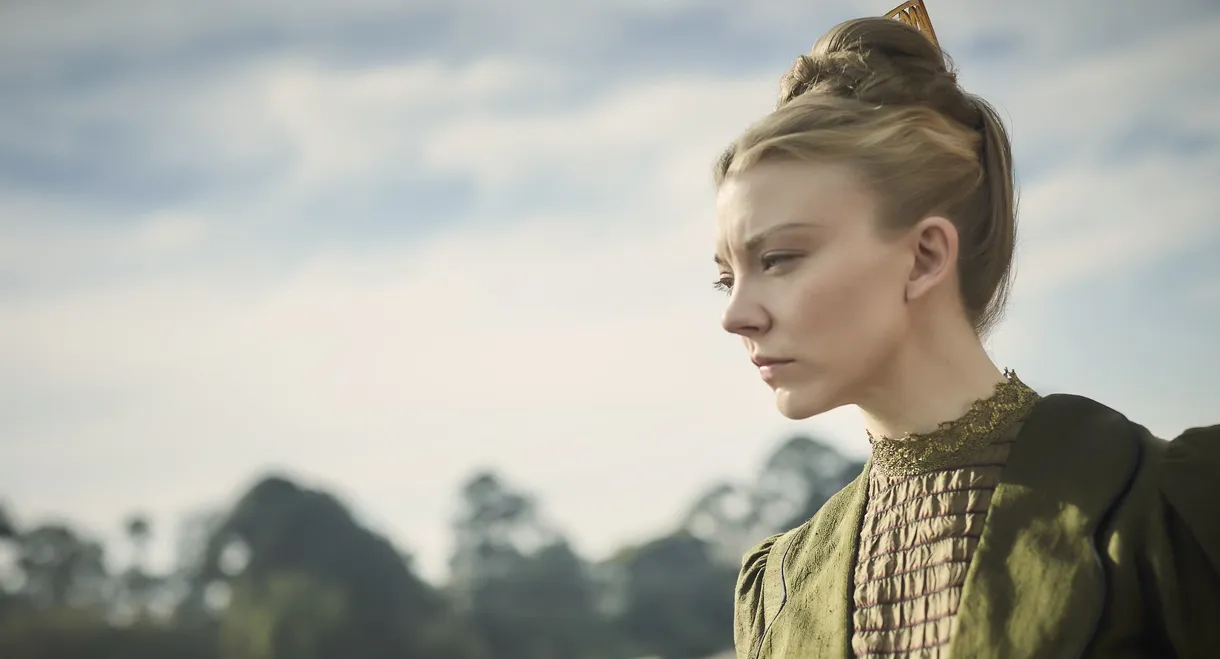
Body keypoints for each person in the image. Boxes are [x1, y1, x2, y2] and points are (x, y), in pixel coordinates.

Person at [709, 2, 1220, 657]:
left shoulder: (1168, 512)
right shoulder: (776, 589)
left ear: (924, 256)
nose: (736, 314)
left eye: (777, 258)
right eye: (728, 277)